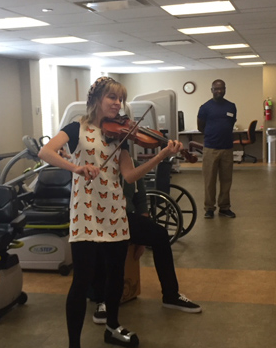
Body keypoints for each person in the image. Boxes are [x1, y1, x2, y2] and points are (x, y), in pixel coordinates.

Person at [38, 77, 182, 348]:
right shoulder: (76, 128)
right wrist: (76, 168)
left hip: (115, 213)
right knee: (82, 281)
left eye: (120, 99)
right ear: (97, 100)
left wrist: (159, 157)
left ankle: (113, 326)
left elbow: (129, 175)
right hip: (86, 214)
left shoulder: (122, 136)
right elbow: (46, 152)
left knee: (116, 276)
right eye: (111, 98)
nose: (117, 104)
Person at [90, 171, 201, 323]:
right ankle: (101, 301)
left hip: (126, 216)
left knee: (160, 235)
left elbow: (141, 200)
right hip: (101, 218)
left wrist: (142, 240)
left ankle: (171, 295)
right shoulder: (98, 162)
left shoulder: (131, 163)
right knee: (100, 243)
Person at [197, 79, 237, 219]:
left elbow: (230, 124)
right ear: (212, 90)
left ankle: (224, 208)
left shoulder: (231, 106)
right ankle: (209, 208)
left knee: (226, 180)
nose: (219, 91)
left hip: (227, 148)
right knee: (209, 181)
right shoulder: (205, 107)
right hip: (210, 149)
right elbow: (200, 127)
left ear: (225, 89)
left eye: (222, 88)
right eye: (216, 89)